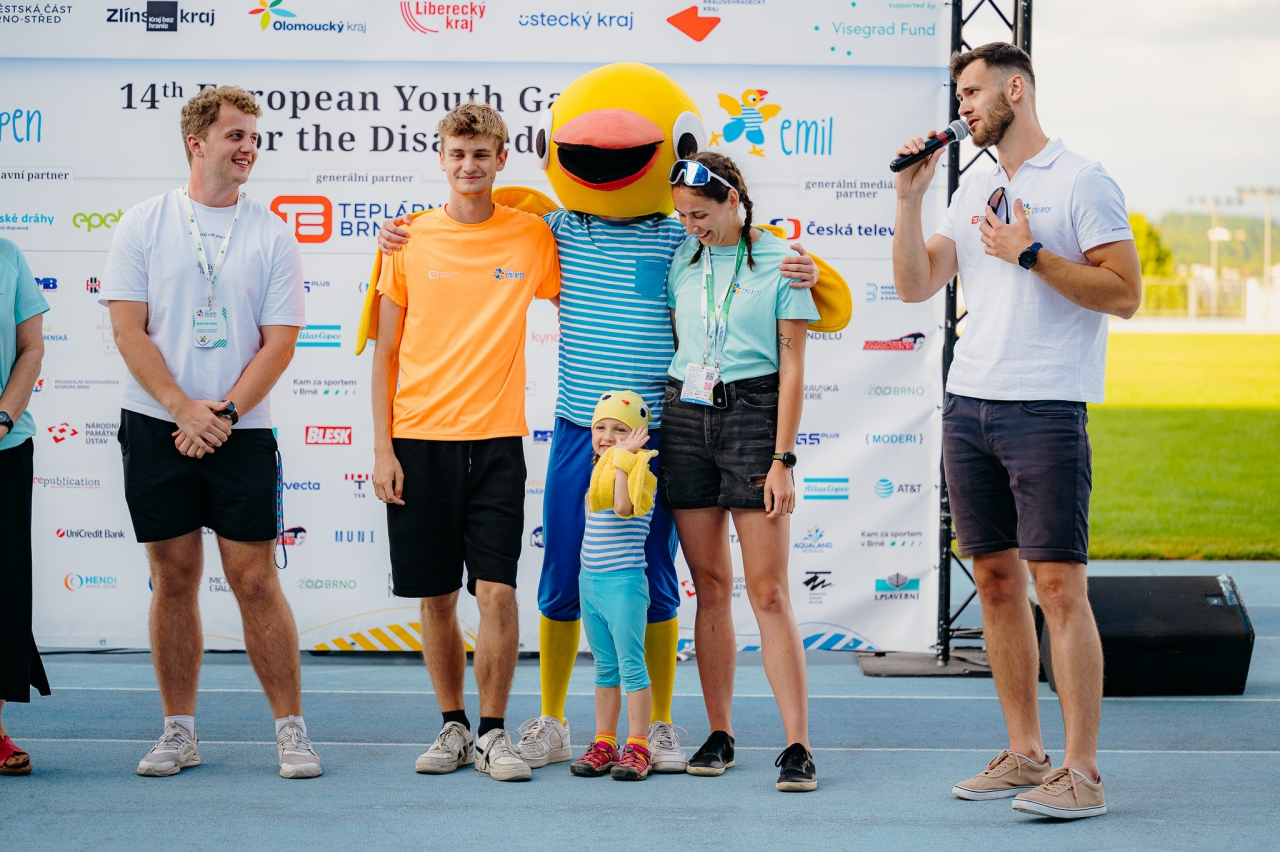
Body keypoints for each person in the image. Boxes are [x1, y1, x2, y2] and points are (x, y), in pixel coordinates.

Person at [376, 64, 828, 775]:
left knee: (652, 579)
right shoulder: (553, 231)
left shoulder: (680, 238)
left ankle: (658, 726)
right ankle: (555, 719)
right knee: (564, 575)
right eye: (457, 154)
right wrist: (398, 234)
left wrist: (807, 271)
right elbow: (488, 216)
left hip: (663, 433)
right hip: (577, 433)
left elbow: (747, 250)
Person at [892, 42, 1141, 820]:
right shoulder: (972, 186)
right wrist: (908, 201)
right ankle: (1026, 753)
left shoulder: (1082, 179)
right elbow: (915, 285)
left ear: (1017, 90)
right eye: (959, 95)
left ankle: (1082, 772)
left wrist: (1030, 253)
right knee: (996, 585)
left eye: (973, 92)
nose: (963, 106)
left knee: (1059, 588)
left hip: (1047, 406)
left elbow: (1125, 293)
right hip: (970, 404)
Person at [102, 86, 318, 779]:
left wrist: (220, 414)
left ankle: (291, 731)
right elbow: (127, 330)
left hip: (240, 430)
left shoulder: (272, 232)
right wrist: (180, 408)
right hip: (155, 423)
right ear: (197, 143)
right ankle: (179, 732)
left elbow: (279, 344)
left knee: (254, 581)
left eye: (253, 136)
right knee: (172, 578)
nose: (248, 147)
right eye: (235, 135)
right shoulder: (143, 222)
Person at [369, 103, 561, 783]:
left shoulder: (532, 236)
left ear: (501, 159)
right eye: (457, 153)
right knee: (436, 598)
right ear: (441, 159)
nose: (469, 165)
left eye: (481, 154)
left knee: (498, 593)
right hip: (418, 441)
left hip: (498, 442)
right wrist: (383, 449)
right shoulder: (408, 239)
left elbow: (586, 280)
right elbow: (385, 353)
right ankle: (452, 725)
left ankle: (493, 732)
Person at [661, 152, 818, 792]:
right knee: (710, 585)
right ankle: (720, 732)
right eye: (682, 215)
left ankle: (798, 745)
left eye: (700, 214)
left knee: (769, 591)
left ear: (734, 201)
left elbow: (794, 367)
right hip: (684, 414)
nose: (690, 226)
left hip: (754, 417)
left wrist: (783, 459)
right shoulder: (682, 257)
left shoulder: (784, 261)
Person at [568, 391, 659, 782]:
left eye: (619, 429)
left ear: (638, 435)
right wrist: (614, 460)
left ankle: (638, 746)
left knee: (632, 667)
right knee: (605, 667)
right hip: (590, 583)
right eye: (600, 427)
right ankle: (605, 742)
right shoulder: (600, 469)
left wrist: (622, 460)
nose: (607, 436)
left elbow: (623, 508)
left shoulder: (641, 473)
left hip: (623, 585)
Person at [0, 239, 51, 776]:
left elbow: (30, 348)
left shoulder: (8, 255)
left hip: (5, 447)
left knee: (3, 592)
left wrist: (3, 418)